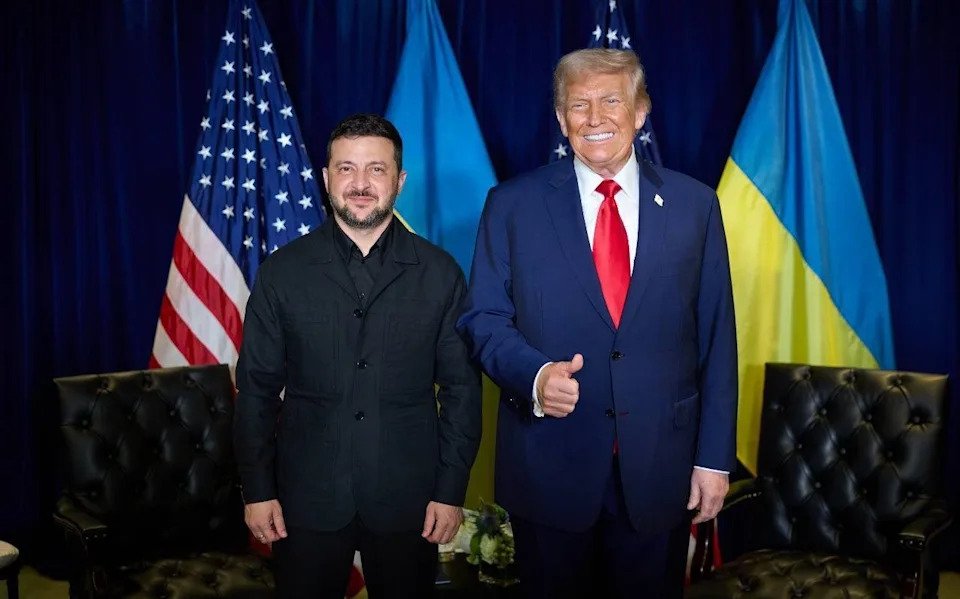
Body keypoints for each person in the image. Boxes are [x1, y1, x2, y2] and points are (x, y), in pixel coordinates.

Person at [457, 48, 738, 598]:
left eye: (611, 101)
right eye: (577, 104)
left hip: (662, 468)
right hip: (549, 466)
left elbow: (716, 337)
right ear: (561, 119)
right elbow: (483, 318)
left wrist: (713, 459)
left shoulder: (694, 205)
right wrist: (536, 377)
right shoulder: (511, 205)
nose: (594, 118)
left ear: (640, 112)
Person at [234, 113, 482, 599]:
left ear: (399, 179)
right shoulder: (282, 273)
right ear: (326, 178)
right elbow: (257, 392)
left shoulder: (441, 273)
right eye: (346, 169)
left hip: (409, 497)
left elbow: (461, 391)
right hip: (304, 496)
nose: (361, 184)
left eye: (376, 169)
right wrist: (258, 489)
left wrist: (450, 491)